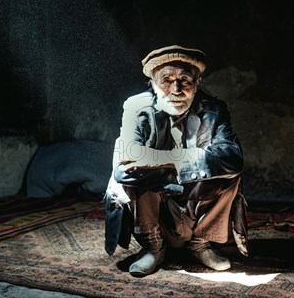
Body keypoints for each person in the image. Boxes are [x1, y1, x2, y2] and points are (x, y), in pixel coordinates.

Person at [104, 45, 248, 277]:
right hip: (157, 204)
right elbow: (124, 166)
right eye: (166, 80)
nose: (176, 88)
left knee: (231, 176)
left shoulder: (214, 109)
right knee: (135, 174)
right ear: (152, 83)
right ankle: (153, 247)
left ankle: (200, 244)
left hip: (194, 200)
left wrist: (171, 161)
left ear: (197, 82)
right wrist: (177, 167)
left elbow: (232, 157)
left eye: (185, 80)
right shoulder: (136, 106)